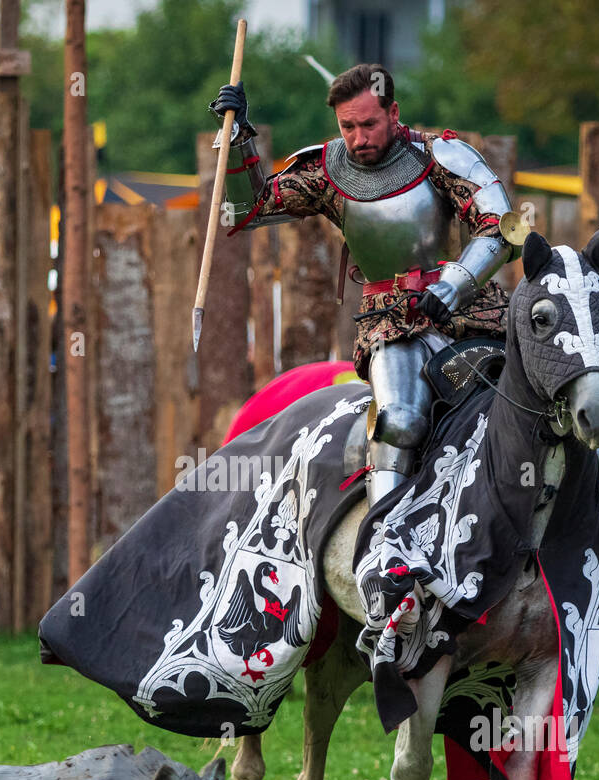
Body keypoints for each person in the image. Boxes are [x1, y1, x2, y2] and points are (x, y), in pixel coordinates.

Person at [208, 63, 521, 507]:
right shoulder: (327, 169)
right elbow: (248, 210)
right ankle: (385, 536)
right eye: (348, 126)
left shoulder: (441, 156)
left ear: (393, 113)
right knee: (398, 418)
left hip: (471, 311)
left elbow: (502, 225)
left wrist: (455, 284)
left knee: (543, 397)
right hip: (391, 322)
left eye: (369, 124)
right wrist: (238, 138)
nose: (359, 138)